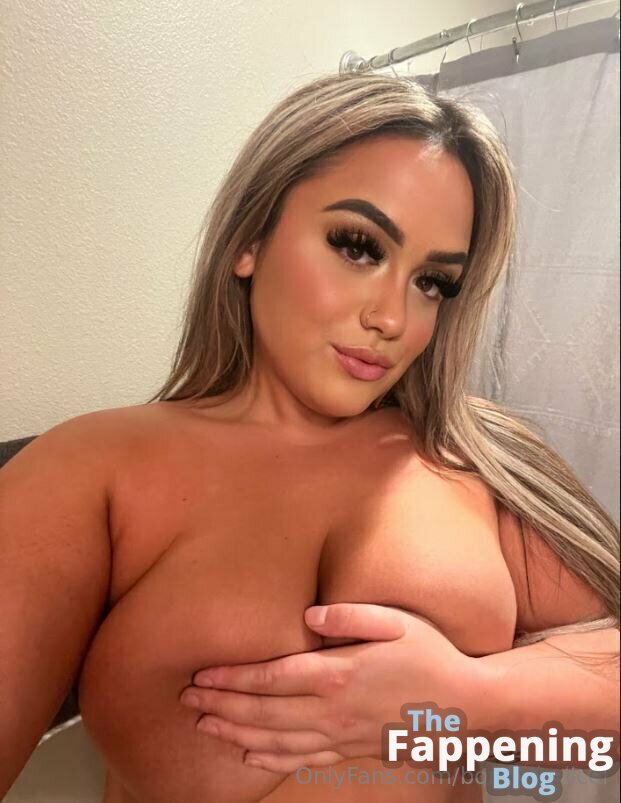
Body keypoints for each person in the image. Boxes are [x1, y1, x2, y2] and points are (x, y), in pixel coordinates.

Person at [1, 71, 618, 803]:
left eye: (432, 282)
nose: (392, 317)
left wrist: (466, 698)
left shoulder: (475, 457)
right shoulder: (91, 466)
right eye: (358, 246)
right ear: (250, 239)